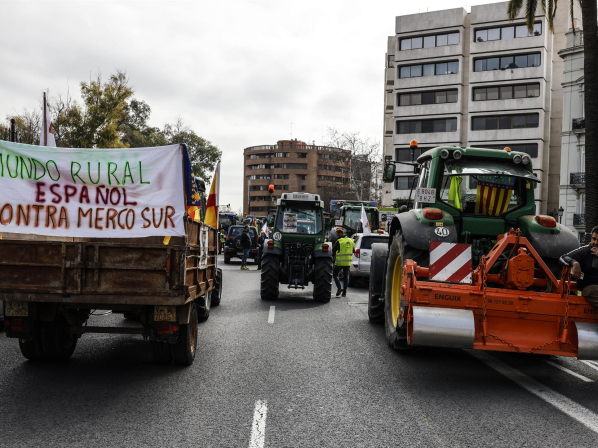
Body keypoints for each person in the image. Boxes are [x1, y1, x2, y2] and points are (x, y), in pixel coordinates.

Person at [559, 226, 598, 308]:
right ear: (591, 238)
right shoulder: (585, 250)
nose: (595, 242)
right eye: (594, 239)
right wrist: (574, 263)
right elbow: (563, 257)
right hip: (590, 288)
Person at [332, 228, 354, 297]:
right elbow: (353, 250)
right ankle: (344, 292)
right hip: (347, 262)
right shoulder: (351, 241)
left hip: (339, 262)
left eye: (337, 234)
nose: (337, 235)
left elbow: (333, 251)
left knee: (335, 275)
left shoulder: (339, 241)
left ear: (341, 233)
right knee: (346, 277)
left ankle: (339, 287)